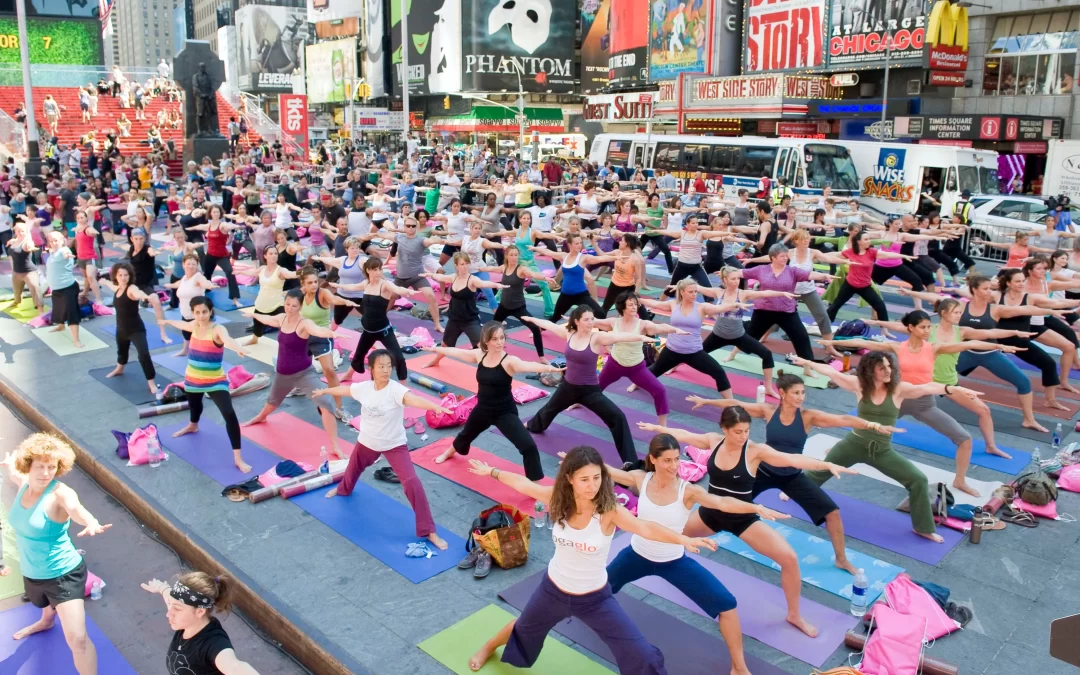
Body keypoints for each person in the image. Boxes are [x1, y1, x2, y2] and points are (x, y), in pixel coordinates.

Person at [465, 445, 716, 673]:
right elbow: (523, 484)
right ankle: (488, 646)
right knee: (524, 627)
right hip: (552, 589)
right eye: (584, 479)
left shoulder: (608, 510)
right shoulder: (557, 499)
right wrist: (492, 471)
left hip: (595, 599)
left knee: (640, 652)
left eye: (596, 477)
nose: (591, 485)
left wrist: (683, 539)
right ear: (569, 479)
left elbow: (646, 528)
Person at [639, 407, 854, 637]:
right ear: (725, 429)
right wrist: (658, 428)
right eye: (738, 432)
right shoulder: (714, 441)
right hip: (711, 513)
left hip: (743, 519)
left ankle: (794, 615)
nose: (743, 437)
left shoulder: (754, 451)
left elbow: (790, 458)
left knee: (789, 558)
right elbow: (683, 435)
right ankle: (651, 564)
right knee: (663, 534)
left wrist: (825, 465)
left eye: (747, 431)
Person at [602, 433, 787, 675]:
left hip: (673, 562)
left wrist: (756, 507)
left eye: (677, 459)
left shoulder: (687, 491)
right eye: (667, 460)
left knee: (727, 605)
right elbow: (606, 471)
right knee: (595, 591)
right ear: (653, 460)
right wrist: (576, 461)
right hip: (636, 554)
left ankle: (739, 668)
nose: (674, 466)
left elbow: (722, 503)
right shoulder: (640, 479)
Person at [688, 375, 906, 574]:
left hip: (792, 475)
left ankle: (841, 559)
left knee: (833, 513)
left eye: (803, 392)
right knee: (723, 504)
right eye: (796, 392)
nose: (801, 397)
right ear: (782, 393)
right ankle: (694, 530)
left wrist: (873, 425)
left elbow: (843, 420)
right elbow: (737, 405)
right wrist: (708, 402)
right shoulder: (768, 411)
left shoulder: (808, 417)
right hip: (762, 470)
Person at [816, 309, 1018, 496]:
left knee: (964, 439)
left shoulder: (934, 348)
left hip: (924, 403)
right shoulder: (897, 347)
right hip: (898, 400)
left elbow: (970, 344)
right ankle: (840, 451)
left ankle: (960, 481)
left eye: (929, 327)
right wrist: (830, 343)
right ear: (911, 328)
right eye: (923, 327)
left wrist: (998, 346)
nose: (927, 331)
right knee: (864, 427)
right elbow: (865, 343)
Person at [794, 351, 982, 542]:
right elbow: (831, 372)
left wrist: (953, 389)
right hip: (854, 444)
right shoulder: (859, 385)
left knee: (918, 480)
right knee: (820, 472)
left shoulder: (899, 390)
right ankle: (794, 491)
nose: (887, 371)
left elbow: (929, 387)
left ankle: (923, 527)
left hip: (881, 452)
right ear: (870, 371)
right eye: (881, 368)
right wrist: (806, 361)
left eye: (889, 366)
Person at [314, 350, 454, 549]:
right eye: (381, 366)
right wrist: (325, 391)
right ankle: (343, 489)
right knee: (353, 468)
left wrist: (434, 406)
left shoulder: (395, 390)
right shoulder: (365, 388)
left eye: (389, 365)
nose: (386, 370)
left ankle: (428, 530)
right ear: (371, 369)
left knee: (412, 483)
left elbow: (413, 399)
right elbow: (345, 390)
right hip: (367, 442)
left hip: (394, 445)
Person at [4, 434, 111, 675]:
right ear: (28, 466)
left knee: (78, 640)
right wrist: (10, 465)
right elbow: (15, 474)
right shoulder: (23, 483)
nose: (45, 473)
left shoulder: (61, 493)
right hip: (32, 571)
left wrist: (91, 521)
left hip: (63, 574)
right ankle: (46, 620)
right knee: (44, 603)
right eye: (39, 467)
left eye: (51, 467)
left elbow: (77, 509)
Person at [428, 322, 563, 480]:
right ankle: (448, 453)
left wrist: (550, 368)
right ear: (486, 341)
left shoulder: (509, 361)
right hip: (482, 409)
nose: (500, 342)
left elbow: (527, 365)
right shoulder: (480, 355)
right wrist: (435, 348)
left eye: (502, 338)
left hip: (504, 413)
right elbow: (456, 352)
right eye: (495, 339)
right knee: (465, 435)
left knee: (528, 446)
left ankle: (535, 483)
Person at [519, 307, 651, 465]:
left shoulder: (596, 337)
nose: (591, 322)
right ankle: (534, 425)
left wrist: (641, 337)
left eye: (592, 319)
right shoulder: (569, 334)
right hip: (568, 386)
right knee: (550, 408)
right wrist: (532, 319)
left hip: (590, 391)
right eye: (587, 319)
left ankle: (630, 462)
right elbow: (549, 325)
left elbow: (619, 336)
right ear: (577, 321)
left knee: (618, 417)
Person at [160, 297, 253, 472]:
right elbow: (180, 324)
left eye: (204, 312)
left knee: (229, 413)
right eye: (197, 312)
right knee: (195, 407)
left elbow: (227, 339)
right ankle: (193, 425)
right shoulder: (193, 325)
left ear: (210, 311)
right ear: (193, 313)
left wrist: (238, 347)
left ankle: (238, 458)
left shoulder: (218, 329)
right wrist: (166, 321)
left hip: (215, 381)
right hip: (193, 379)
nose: (201, 316)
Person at [637, 279, 747, 399]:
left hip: (694, 352)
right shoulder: (673, 304)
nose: (694, 294)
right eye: (691, 292)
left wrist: (735, 305)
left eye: (696, 291)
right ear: (682, 292)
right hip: (672, 350)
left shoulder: (701, 307)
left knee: (719, 372)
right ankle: (635, 383)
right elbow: (656, 304)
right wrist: (639, 300)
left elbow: (719, 308)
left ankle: (730, 403)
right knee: (654, 371)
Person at [141, 572, 261, 675]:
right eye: (171, 605)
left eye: (177, 609)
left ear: (200, 612)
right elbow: (170, 598)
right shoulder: (185, 620)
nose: (169, 613)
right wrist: (162, 588)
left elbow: (235, 667)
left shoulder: (214, 643)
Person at [335, 258, 422, 383]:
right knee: (358, 355)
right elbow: (353, 287)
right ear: (368, 270)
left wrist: (408, 291)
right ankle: (348, 375)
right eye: (375, 269)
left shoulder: (385, 285)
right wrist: (339, 285)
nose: (378, 272)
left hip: (383, 330)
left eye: (379, 269)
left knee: (398, 358)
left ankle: (403, 384)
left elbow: (397, 289)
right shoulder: (366, 284)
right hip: (367, 330)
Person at [420, 253, 507, 368]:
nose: (465, 266)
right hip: (454, 319)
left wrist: (496, 285)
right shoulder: (453, 277)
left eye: (467, 263)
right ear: (456, 266)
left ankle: (495, 367)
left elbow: (483, 283)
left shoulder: (472, 280)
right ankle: (436, 361)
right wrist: (429, 274)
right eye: (462, 264)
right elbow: (440, 277)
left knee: (482, 345)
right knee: (445, 345)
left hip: (470, 320)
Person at [100, 262, 169, 399]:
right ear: (116, 276)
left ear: (130, 276)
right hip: (121, 329)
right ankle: (120, 368)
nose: (123, 277)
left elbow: (137, 293)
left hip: (136, 329)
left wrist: (144, 296)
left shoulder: (131, 288)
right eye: (120, 275)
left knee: (143, 355)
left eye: (126, 275)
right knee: (122, 351)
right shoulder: (118, 288)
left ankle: (151, 382)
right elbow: (112, 286)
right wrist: (104, 281)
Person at [481, 245, 554, 361]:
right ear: (507, 256)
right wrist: (477, 268)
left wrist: (545, 278)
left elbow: (534, 274)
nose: (514, 257)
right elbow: (490, 269)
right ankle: (484, 348)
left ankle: (542, 357)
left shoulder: (521, 269)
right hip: (504, 306)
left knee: (535, 329)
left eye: (516, 255)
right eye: (511, 255)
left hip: (518, 307)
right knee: (492, 327)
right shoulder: (504, 267)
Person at [244, 246, 296, 346]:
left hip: (277, 304)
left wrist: (301, 272)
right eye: (271, 253)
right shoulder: (262, 269)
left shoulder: (280, 270)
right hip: (261, 303)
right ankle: (254, 339)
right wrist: (239, 272)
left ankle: (292, 343)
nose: (274, 256)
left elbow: (291, 274)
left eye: (275, 253)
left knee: (287, 324)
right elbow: (252, 273)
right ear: (265, 256)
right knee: (257, 329)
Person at [43, 231, 85, 349]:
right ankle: (61, 325)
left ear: (62, 240)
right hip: (57, 289)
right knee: (58, 309)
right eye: (51, 241)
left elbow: (66, 253)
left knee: (71, 313)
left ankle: (76, 340)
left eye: (56, 240)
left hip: (68, 288)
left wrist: (68, 255)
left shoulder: (63, 251)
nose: (53, 243)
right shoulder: (53, 252)